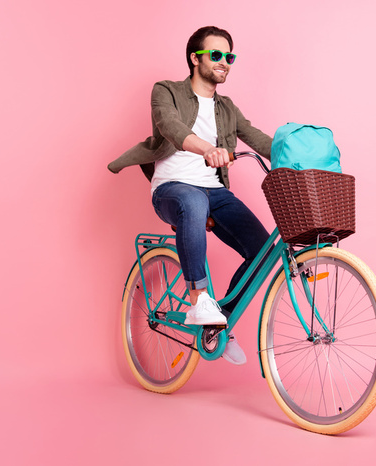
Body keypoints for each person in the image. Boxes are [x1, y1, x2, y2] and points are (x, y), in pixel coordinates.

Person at [108, 26, 273, 365]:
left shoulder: (227, 108)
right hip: (172, 188)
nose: (224, 62)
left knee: (263, 251)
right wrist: (206, 149)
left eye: (229, 57)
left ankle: (217, 321)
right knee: (193, 201)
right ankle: (199, 300)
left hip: (214, 191)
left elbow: (257, 138)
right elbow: (169, 125)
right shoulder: (166, 90)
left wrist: (301, 157)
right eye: (216, 55)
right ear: (195, 58)